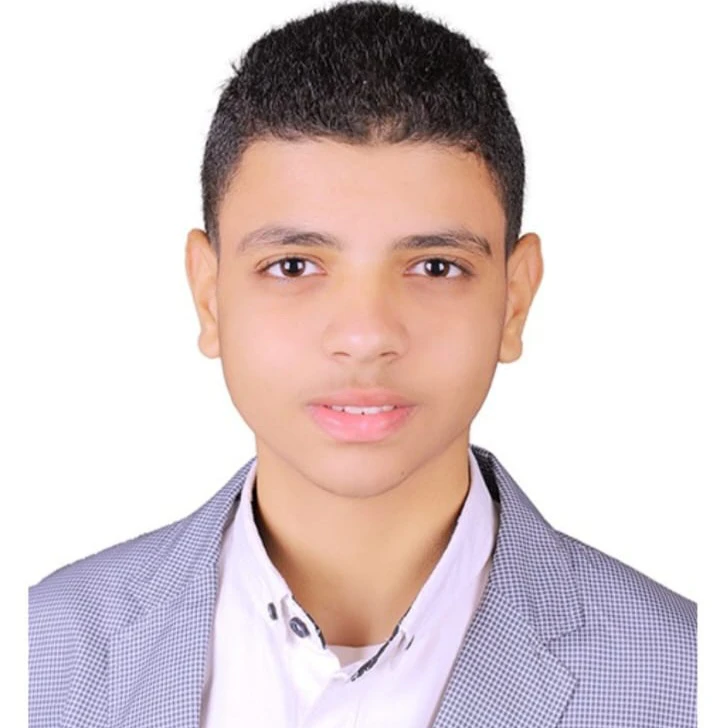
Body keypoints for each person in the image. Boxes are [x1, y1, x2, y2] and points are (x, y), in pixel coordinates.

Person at [28, 1, 697, 726]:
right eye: (293, 265)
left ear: (514, 299)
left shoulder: (685, 677)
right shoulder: (42, 653)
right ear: (209, 294)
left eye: (435, 266)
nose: (365, 335)